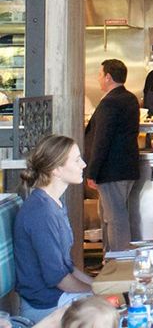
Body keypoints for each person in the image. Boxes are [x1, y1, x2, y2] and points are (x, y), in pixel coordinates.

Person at [13, 135, 94, 323]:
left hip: (57, 297)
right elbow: (59, 279)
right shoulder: (40, 212)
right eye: (76, 160)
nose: (83, 164)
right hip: (45, 305)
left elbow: (68, 267)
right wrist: (97, 292)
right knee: (109, 310)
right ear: (56, 169)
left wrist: (101, 286)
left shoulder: (53, 203)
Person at [84, 58, 140, 252]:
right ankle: (109, 261)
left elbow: (102, 139)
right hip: (125, 168)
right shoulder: (130, 98)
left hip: (111, 170)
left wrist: (92, 171)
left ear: (108, 77)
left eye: (100, 75)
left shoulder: (110, 102)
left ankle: (118, 265)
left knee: (115, 219)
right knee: (110, 216)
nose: (98, 78)